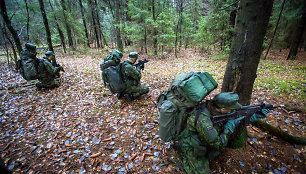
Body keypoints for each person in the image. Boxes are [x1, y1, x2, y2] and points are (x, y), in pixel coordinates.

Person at [177, 92, 269, 174]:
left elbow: (235, 116)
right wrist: (228, 129)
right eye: (230, 109)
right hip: (190, 143)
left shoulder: (212, 107)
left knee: (214, 153)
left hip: (203, 137)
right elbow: (219, 144)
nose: (232, 110)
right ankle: (183, 154)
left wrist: (252, 116)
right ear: (223, 108)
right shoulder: (204, 122)